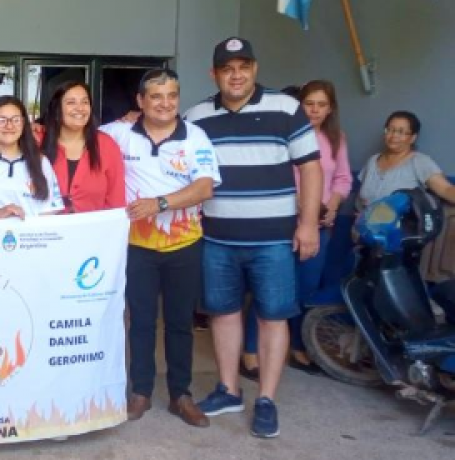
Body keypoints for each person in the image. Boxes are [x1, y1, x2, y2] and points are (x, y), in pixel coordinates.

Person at [185, 37, 323, 439]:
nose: (236, 74)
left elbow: (310, 169)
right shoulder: (197, 117)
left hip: (273, 240)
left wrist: (309, 222)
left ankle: (265, 398)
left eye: (243, 66)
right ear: (214, 74)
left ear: (255, 69)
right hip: (216, 238)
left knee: (272, 316)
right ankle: (229, 390)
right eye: (227, 68)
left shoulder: (285, 108)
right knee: (223, 313)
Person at [101, 68, 220, 427]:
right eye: (155, 96)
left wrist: (160, 203)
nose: (165, 103)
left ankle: (180, 394)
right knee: (139, 321)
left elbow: (204, 188)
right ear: (140, 101)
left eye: (171, 96)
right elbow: (75, 140)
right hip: (136, 246)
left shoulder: (195, 136)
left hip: (184, 244)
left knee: (180, 323)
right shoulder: (117, 133)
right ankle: (140, 392)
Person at [241, 80, 352, 378]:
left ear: (330, 109)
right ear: (299, 105)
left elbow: (342, 178)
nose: (315, 110)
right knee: (269, 290)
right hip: (283, 223)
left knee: (306, 289)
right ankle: (250, 350)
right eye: (309, 103)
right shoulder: (283, 134)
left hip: (321, 226)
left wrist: (334, 205)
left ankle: (298, 346)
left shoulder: (336, 139)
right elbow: (275, 177)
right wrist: (305, 206)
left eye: (321, 104)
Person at [0, 95, 63, 218]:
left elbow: (49, 213)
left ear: (23, 123)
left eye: (16, 120)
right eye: (1, 120)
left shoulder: (41, 161)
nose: (9, 126)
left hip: (31, 236)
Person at [40, 81, 125, 213]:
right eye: (71, 102)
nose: (80, 108)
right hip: (44, 232)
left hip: (93, 231)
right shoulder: (37, 141)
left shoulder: (106, 145)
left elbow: (116, 202)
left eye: (85, 102)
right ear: (56, 108)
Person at [357, 110, 455, 208]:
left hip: (403, 222)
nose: (394, 135)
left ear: (413, 138)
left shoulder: (419, 162)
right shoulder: (373, 161)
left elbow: (445, 189)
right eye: (390, 130)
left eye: (401, 132)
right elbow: (360, 198)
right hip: (363, 222)